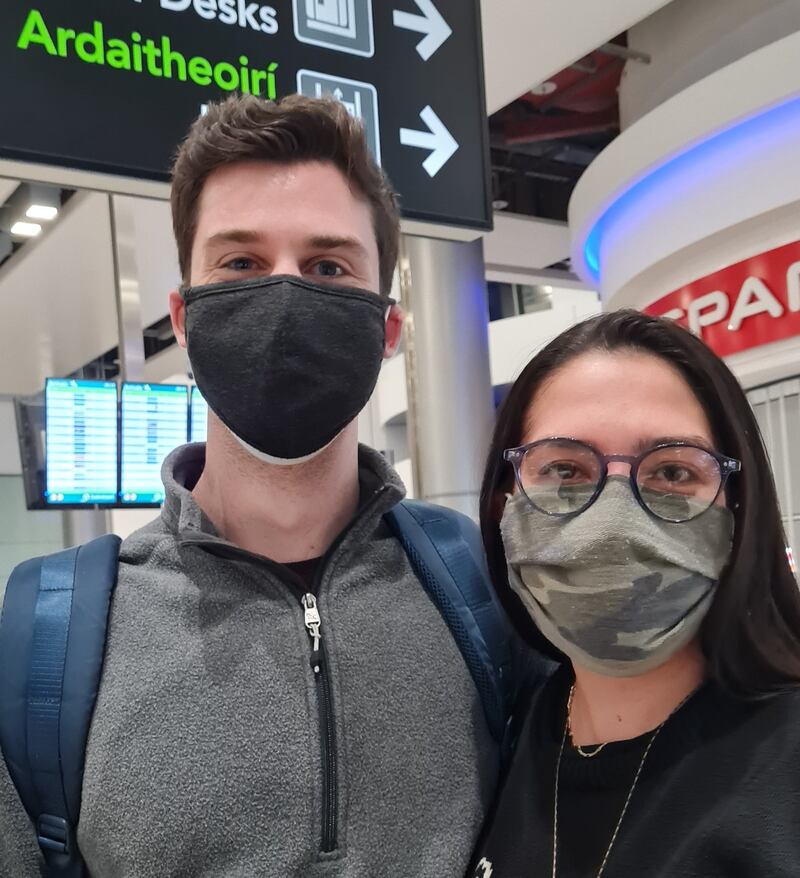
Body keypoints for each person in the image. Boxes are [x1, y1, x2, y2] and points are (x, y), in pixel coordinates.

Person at [0, 94, 504, 877]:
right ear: (187, 317)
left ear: (388, 327)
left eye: (327, 266)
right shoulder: (51, 641)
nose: (283, 295)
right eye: (240, 263)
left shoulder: (478, 593)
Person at [470, 309, 800, 878]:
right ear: (504, 504)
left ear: (737, 508)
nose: (612, 523)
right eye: (565, 470)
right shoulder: (512, 731)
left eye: (673, 473)